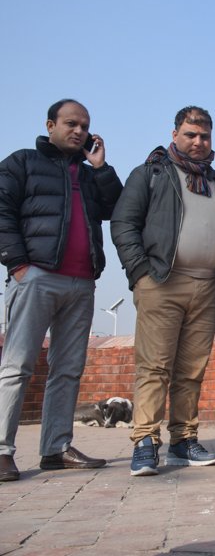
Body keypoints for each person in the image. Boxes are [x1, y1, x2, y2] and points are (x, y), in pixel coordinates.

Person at [112, 106, 215, 476]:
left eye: (204, 136)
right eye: (190, 135)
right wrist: (140, 273)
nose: (198, 142)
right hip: (162, 283)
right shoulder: (152, 174)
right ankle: (144, 442)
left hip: (207, 286)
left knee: (191, 370)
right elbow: (124, 223)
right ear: (175, 135)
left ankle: (183, 441)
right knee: (154, 366)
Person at [0, 99, 122, 482]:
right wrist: (17, 264)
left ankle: (55, 447)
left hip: (82, 281)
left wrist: (100, 167)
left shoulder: (88, 175)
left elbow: (114, 206)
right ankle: (2, 450)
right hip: (36, 276)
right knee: (17, 366)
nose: (79, 132)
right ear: (50, 124)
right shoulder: (22, 163)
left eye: (85, 126)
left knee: (68, 369)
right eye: (71, 124)